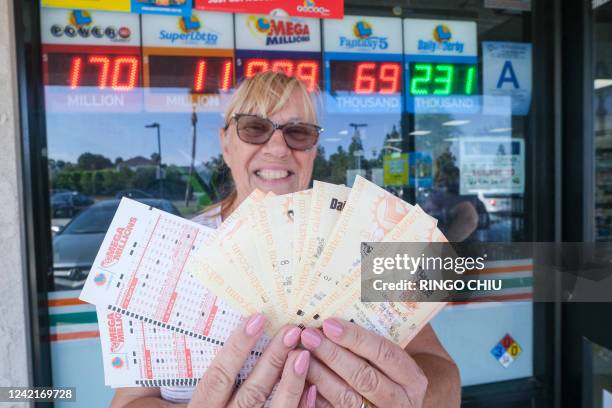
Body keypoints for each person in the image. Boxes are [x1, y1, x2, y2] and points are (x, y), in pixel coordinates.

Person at [111, 71, 460, 408]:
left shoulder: (362, 240)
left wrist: (400, 400)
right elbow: (129, 401)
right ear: (226, 144)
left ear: (313, 150)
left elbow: (442, 372)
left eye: (298, 133)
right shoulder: (170, 252)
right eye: (254, 127)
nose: (277, 148)